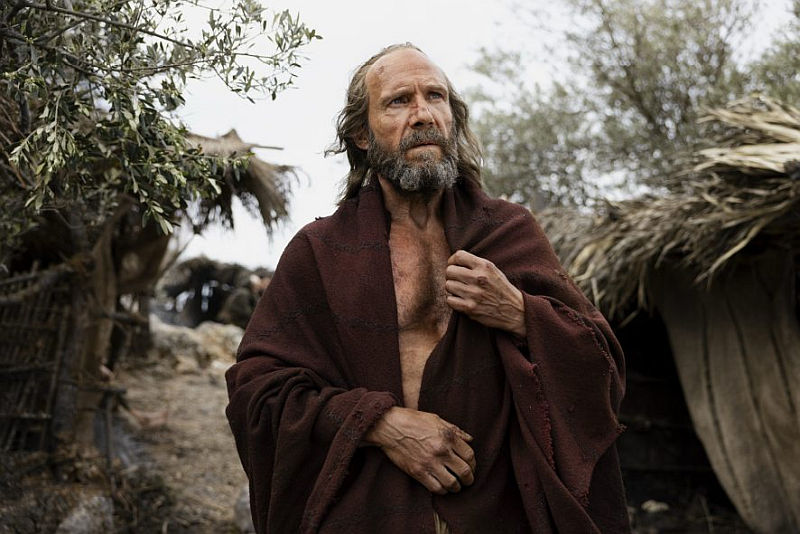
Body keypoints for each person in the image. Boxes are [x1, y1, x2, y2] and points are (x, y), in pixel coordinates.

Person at [226, 43, 630, 534]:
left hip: (500, 511)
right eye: (398, 101)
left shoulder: (507, 233)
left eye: (435, 97)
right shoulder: (321, 252)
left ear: (453, 119)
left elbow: (602, 367)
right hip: (372, 513)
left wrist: (522, 314)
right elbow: (256, 390)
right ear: (360, 134)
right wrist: (377, 423)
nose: (422, 115)